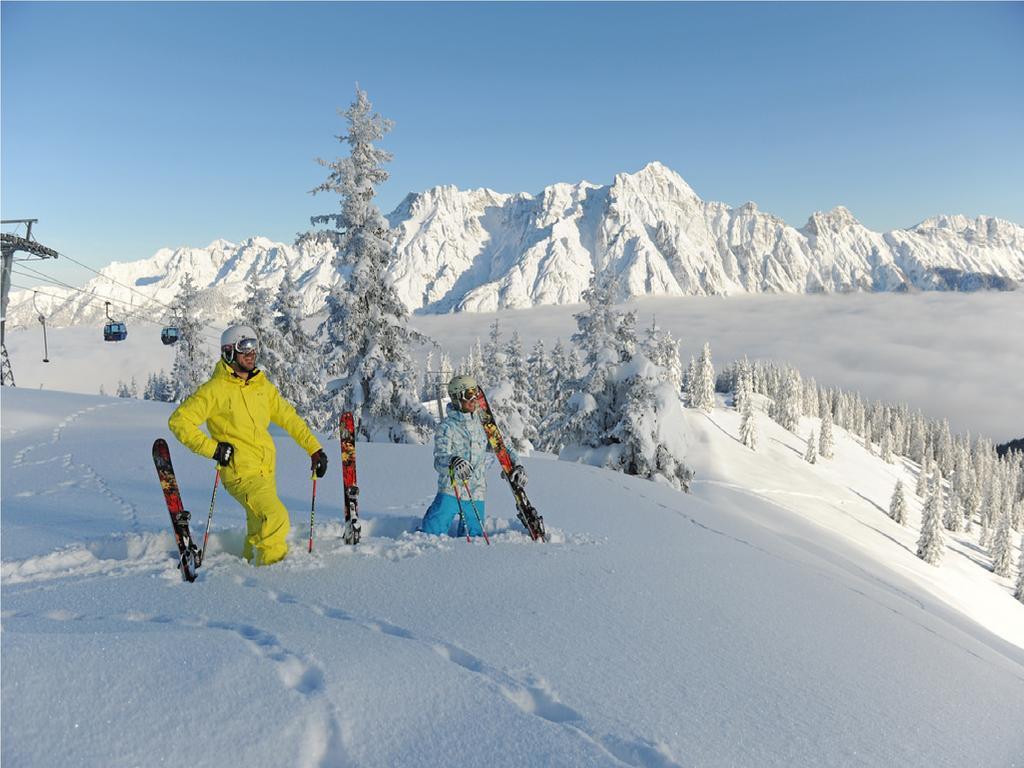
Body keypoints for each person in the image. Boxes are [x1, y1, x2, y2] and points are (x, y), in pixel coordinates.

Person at [168, 324, 328, 566]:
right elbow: (179, 421)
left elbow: (289, 418)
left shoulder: (261, 386)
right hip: (241, 473)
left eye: (254, 347)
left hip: (265, 470)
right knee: (276, 517)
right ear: (229, 352)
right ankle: (273, 572)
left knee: (259, 526)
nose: (251, 353)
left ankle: (249, 571)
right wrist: (214, 450)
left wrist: (314, 448)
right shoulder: (215, 390)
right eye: (245, 347)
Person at [420, 374, 527, 538]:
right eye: (469, 394)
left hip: (476, 492)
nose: (474, 399)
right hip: (451, 490)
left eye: (475, 394)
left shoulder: (483, 425)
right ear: (457, 398)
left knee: (475, 538)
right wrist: (453, 461)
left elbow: (503, 447)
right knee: (429, 533)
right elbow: (439, 460)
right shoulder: (447, 428)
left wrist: (517, 465)